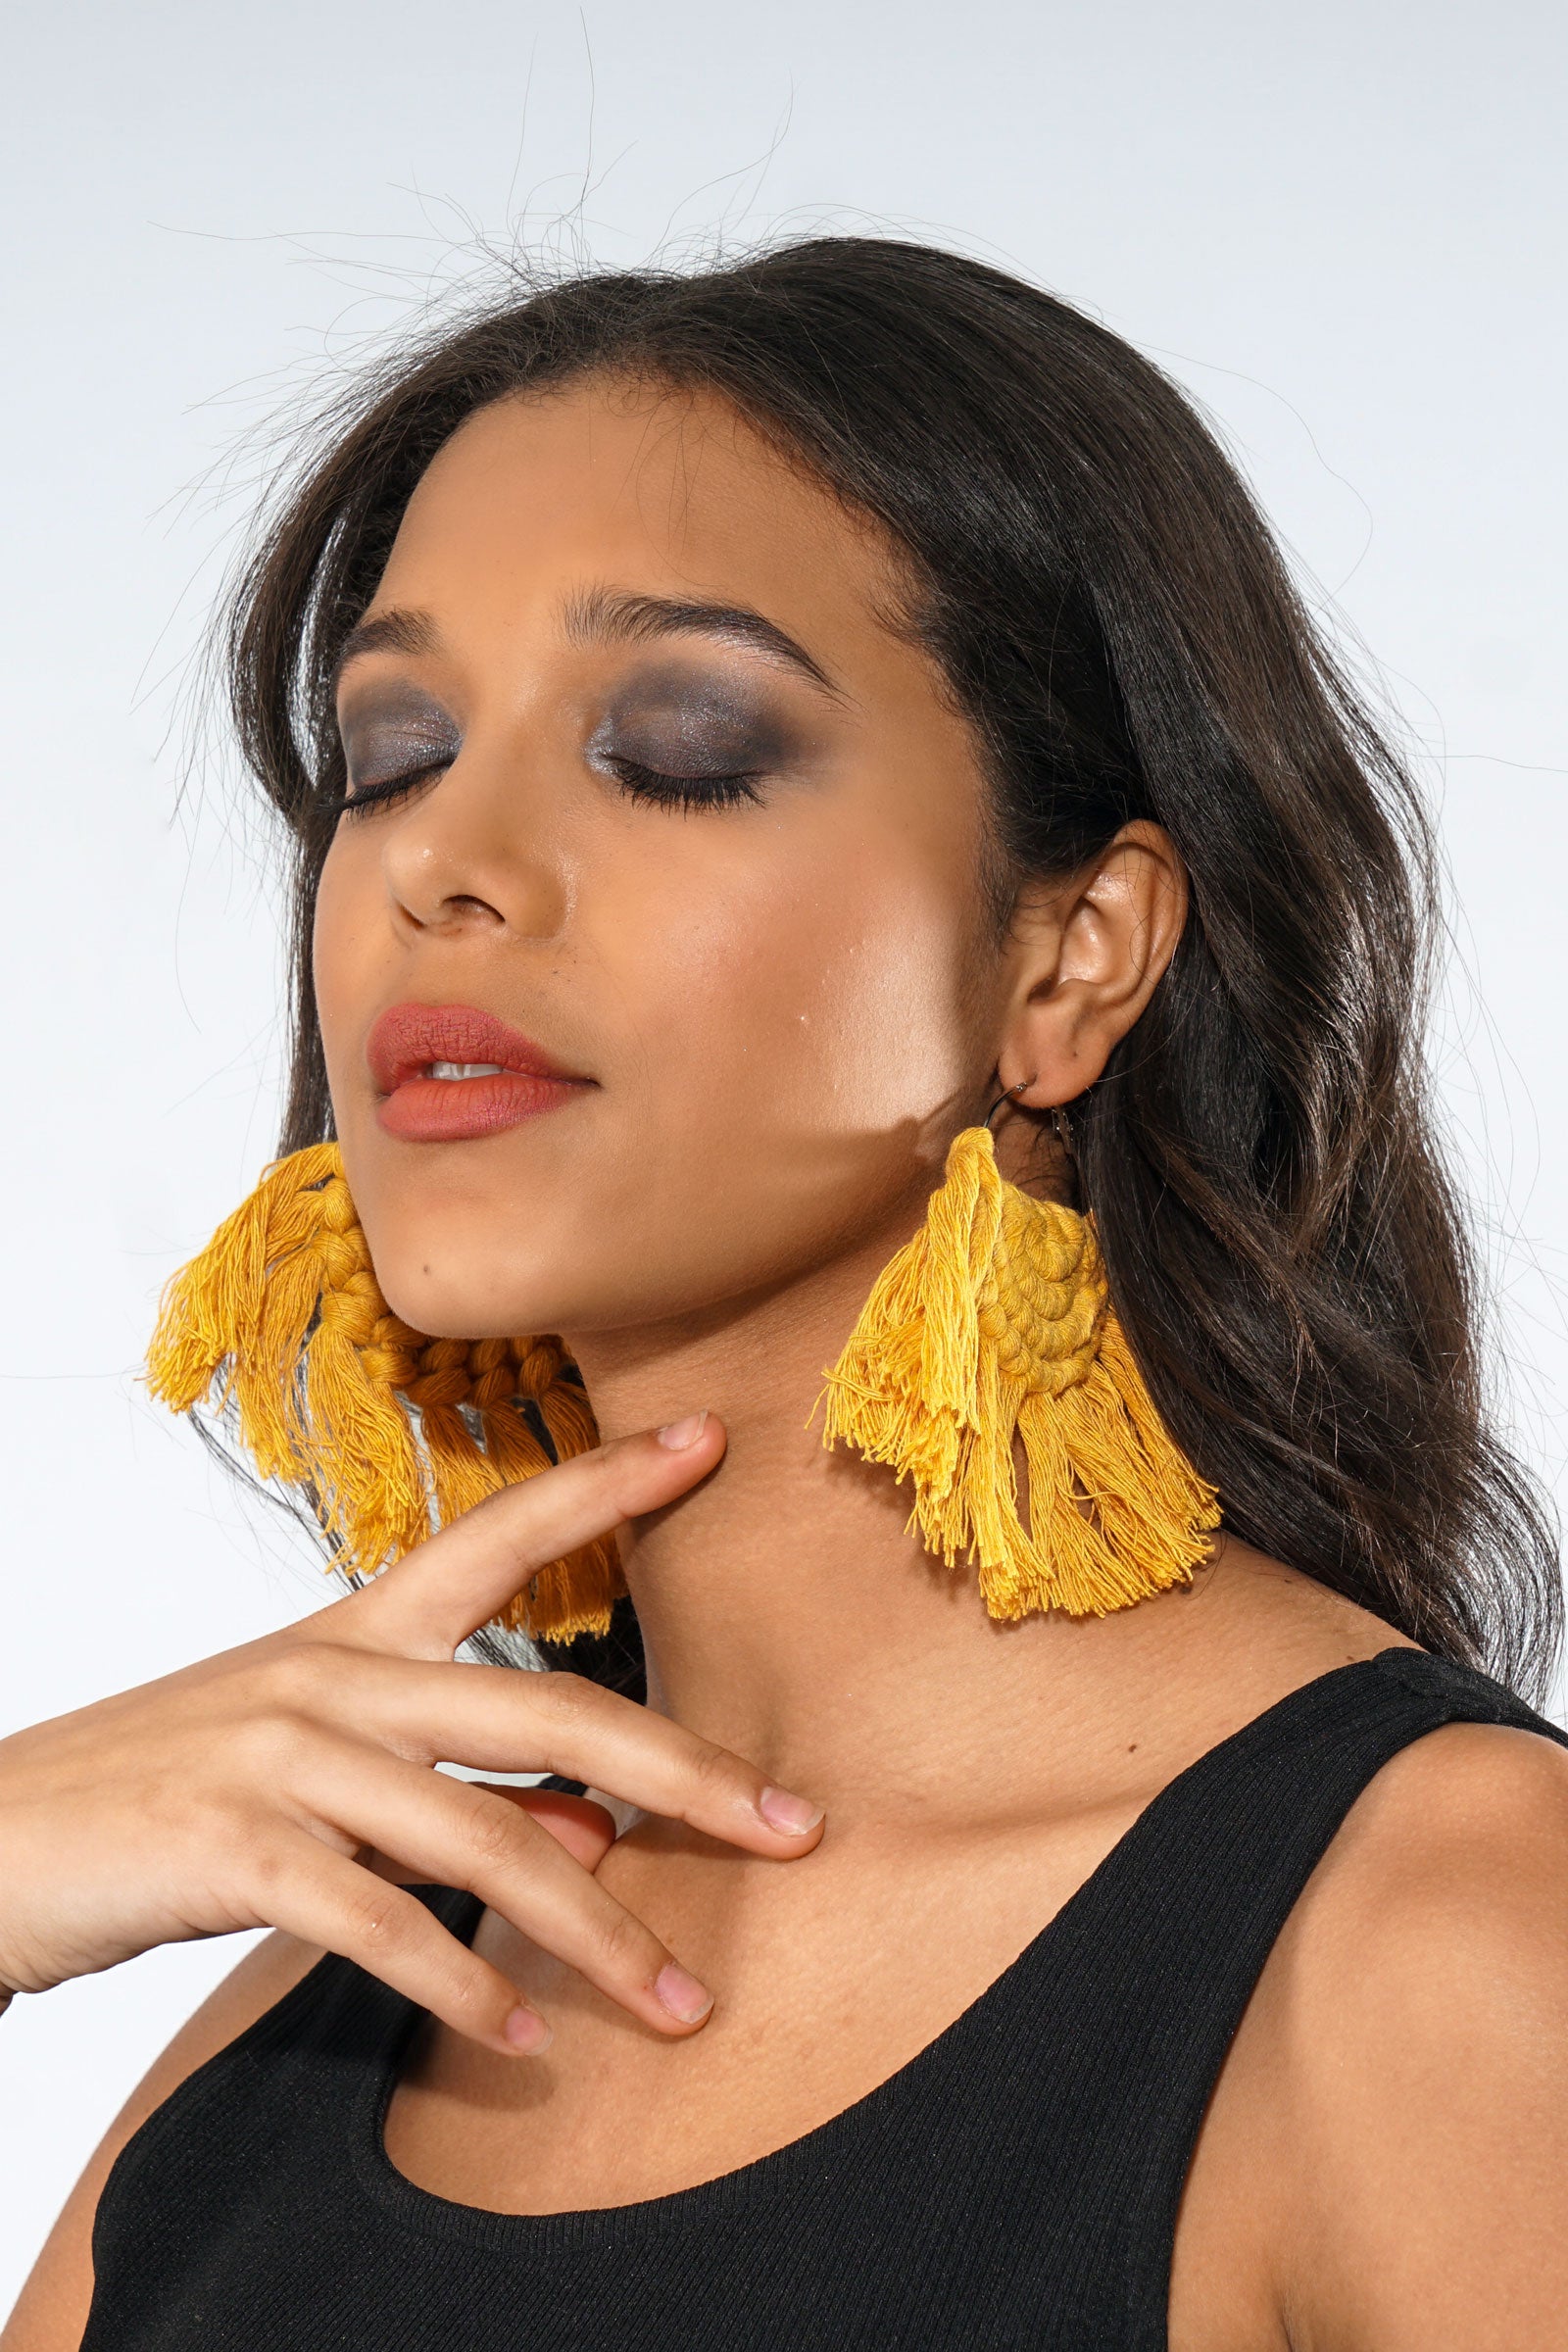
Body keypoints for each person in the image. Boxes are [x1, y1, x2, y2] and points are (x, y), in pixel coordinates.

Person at [2, 236, 1565, 2352]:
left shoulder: (1444, 1935)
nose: (444, 861)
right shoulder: (308, 2010)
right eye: (392, 753)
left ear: (1070, 957)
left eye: (677, 746)